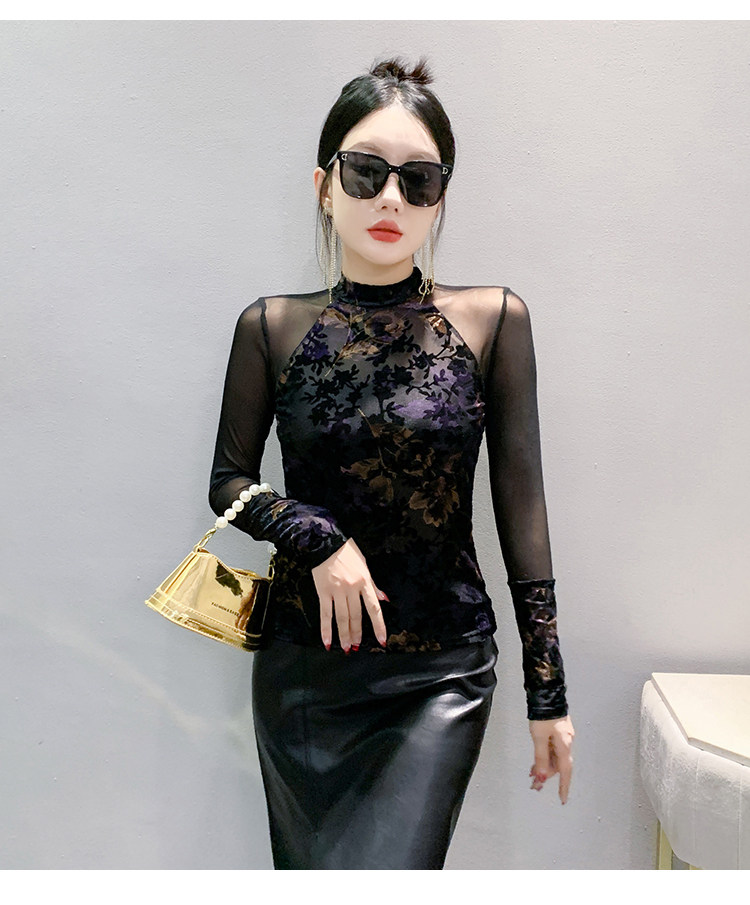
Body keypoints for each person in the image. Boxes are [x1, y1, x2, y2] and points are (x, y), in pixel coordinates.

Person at [208, 55, 575, 870]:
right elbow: (227, 481)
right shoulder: (269, 327)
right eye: (367, 172)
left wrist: (547, 691)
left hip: (441, 672)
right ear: (323, 185)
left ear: (440, 197)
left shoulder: (493, 322)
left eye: (419, 180)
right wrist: (319, 538)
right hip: (307, 673)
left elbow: (523, 508)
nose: (390, 199)